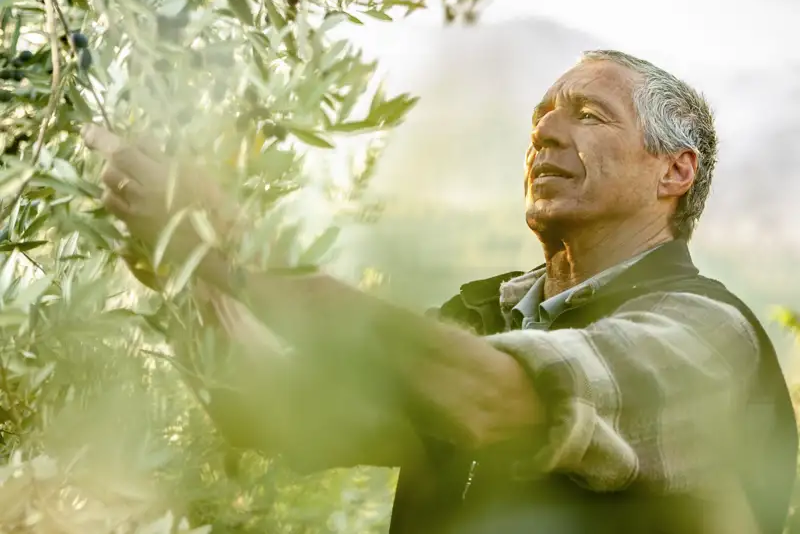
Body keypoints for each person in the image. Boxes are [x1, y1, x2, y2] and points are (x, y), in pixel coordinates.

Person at [84, 50, 797, 534]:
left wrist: (238, 251)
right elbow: (279, 412)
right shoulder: (484, 313)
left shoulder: (705, 335)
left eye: (588, 115)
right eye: (541, 116)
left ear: (675, 172)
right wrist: (180, 259)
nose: (546, 132)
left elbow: (496, 396)